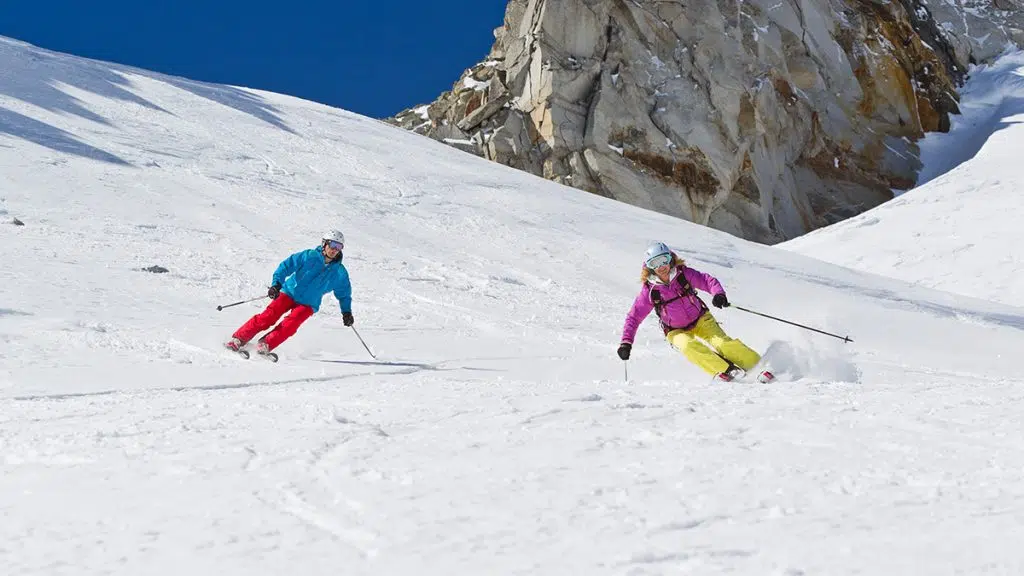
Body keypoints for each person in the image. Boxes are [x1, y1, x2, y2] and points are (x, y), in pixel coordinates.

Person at [617, 242, 772, 382]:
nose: (661, 266)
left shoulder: (683, 275)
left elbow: (707, 280)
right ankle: (727, 370)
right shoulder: (649, 291)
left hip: (700, 318)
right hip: (674, 330)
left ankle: (758, 366)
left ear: (670, 258)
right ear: (649, 267)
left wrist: (718, 294)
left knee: (721, 342)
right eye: (655, 263)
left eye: (664, 260)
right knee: (687, 345)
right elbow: (634, 317)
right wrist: (626, 343)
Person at [226, 229, 353, 357]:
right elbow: (286, 266)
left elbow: (344, 293)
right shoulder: (309, 256)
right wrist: (276, 284)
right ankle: (239, 339)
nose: (335, 249)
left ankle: (266, 343)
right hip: (289, 292)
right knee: (268, 316)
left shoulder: (339, 272)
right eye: (332, 245)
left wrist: (346, 312)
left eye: (339, 247)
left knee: (291, 325)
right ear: (324, 244)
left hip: (309, 303)